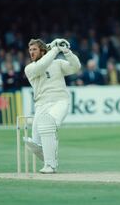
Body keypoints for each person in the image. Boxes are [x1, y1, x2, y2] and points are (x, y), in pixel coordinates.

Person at [24, 38, 81, 174]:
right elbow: (41, 66)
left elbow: (76, 67)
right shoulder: (30, 68)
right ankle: (51, 160)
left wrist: (66, 51)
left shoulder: (58, 63)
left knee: (47, 124)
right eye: (30, 50)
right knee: (34, 143)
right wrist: (55, 48)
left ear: (42, 50)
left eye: (34, 49)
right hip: (41, 105)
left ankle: (50, 166)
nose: (31, 52)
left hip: (60, 101)